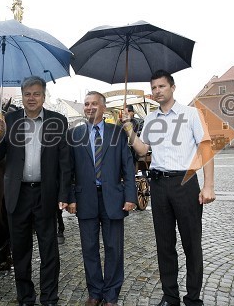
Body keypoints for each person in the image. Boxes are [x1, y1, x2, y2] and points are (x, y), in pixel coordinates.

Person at [121, 70, 215, 306]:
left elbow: (206, 150)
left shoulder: (191, 114)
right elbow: (143, 150)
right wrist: (129, 129)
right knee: (164, 244)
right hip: (159, 184)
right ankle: (170, 296)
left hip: (186, 183)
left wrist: (209, 186)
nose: (157, 91)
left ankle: (193, 298)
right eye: (154, 88)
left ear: (173, 87)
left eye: (161, 86)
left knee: (191, 243)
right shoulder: (151, 120)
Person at [0, 76, 70, 306]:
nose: (32, 98)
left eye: (36, 94)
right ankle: (26, 297)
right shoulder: (10, 120)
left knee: (49, 251)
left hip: (46, 194)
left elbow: (65, 162)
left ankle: (49, 297)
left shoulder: (58, 121)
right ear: (22, 97)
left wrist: (64, 194)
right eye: (27, 94)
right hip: (18, 194)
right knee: (21, 251)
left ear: (44, 96)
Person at [68, 91, 137, 306]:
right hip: (85, 199)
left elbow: (127, 166)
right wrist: (70, 198)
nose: (89, 107)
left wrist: (130, 196)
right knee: (89, 248)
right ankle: (95, 292)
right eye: (86, 104)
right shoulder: (75, 134)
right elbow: (68, 170)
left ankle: (111, 294)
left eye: (94, 104)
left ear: (103, 108)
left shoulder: (117, 133)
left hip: (113, 199)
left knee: (113, 248)